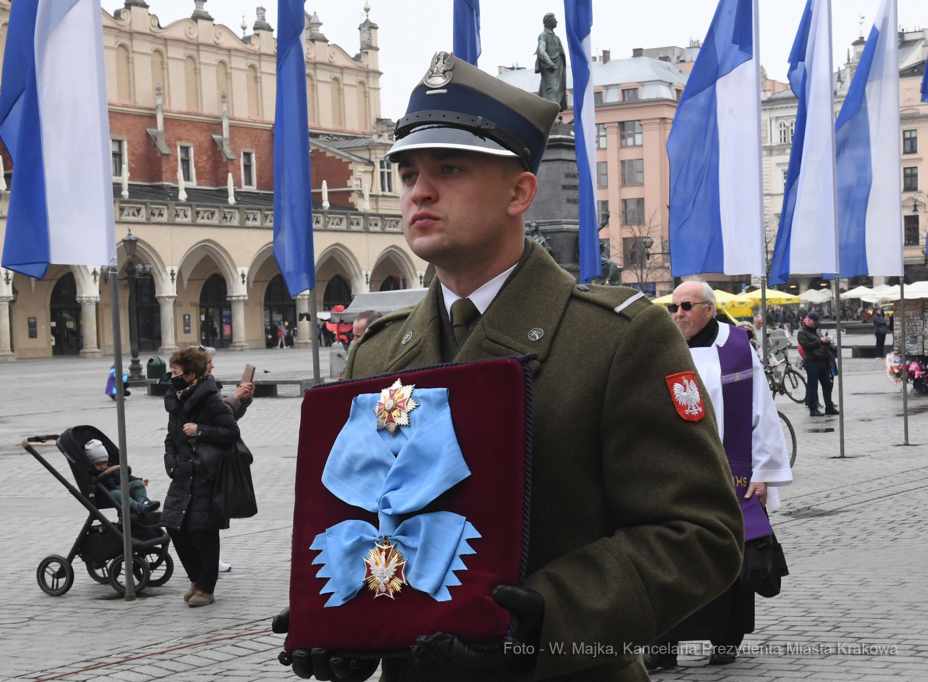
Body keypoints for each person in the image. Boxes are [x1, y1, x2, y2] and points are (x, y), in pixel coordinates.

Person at [273, 52, 743, 682]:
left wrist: (547, 617)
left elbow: (699, 535)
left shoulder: (616, 338)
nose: (419, 190)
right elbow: (369, 517)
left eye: (450, 168)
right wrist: (347, 622)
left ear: (520, 191)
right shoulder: (379, 351)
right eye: (409, 172)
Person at [645, 281, 792, 670]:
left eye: (686, 306)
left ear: (709, 309)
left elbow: (762, 413)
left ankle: (726, 638)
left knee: (727, 555)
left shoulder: (738, 350)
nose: (677, 314)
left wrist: (763, 473)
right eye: (672, 307)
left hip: (729, 475)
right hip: (674, 476)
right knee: (669, 557)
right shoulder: (659, 346)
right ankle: (663, 645)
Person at [162, 347, 240, 608]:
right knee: (174, 526)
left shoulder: (211, 399)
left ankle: (206, 587)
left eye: (175, 372)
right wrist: (170, 461)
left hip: (206, 473)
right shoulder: (177, 398)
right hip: (182, 473)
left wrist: (200, 431)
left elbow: (231, 432)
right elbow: (170, 437)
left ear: (190, 374)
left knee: (204, 530)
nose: (170, 376)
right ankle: (196, 578)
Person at [198, 344, 255, 574]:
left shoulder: (211, 384)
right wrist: (235, 397)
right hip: (203, 456)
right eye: (209, 362)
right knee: (204, 513)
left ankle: (210, 558)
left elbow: (227, 418)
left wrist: (243, 399)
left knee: (214, 511)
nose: (212, 365)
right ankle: (204, 561)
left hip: (215, 455)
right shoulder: (199, 389)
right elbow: (215, 415)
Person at [83, 439, 160, 515]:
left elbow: (126, 476)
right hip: (106, 495)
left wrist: (140, 479)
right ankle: (137, 507)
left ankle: (143, 502)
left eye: (104, 463)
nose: (103, 466)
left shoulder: (110, 467)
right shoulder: (92, 473)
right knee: (117, 493)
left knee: (138, 484)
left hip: (119, 488)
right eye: (99, 464)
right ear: (92, 464)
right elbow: (91, 484)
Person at [798, 312, 838, 417]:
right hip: (812, 361)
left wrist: (828, 341)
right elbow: (807, 346)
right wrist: (821, 341)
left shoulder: (817, 331)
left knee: (827, 384)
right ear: (809, 321)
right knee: (812, 385)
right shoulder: (802, 333)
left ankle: (829, 406)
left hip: (823, 360)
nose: (817, 325)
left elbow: (821, 342)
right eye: (815, 323)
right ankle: (813, 408)